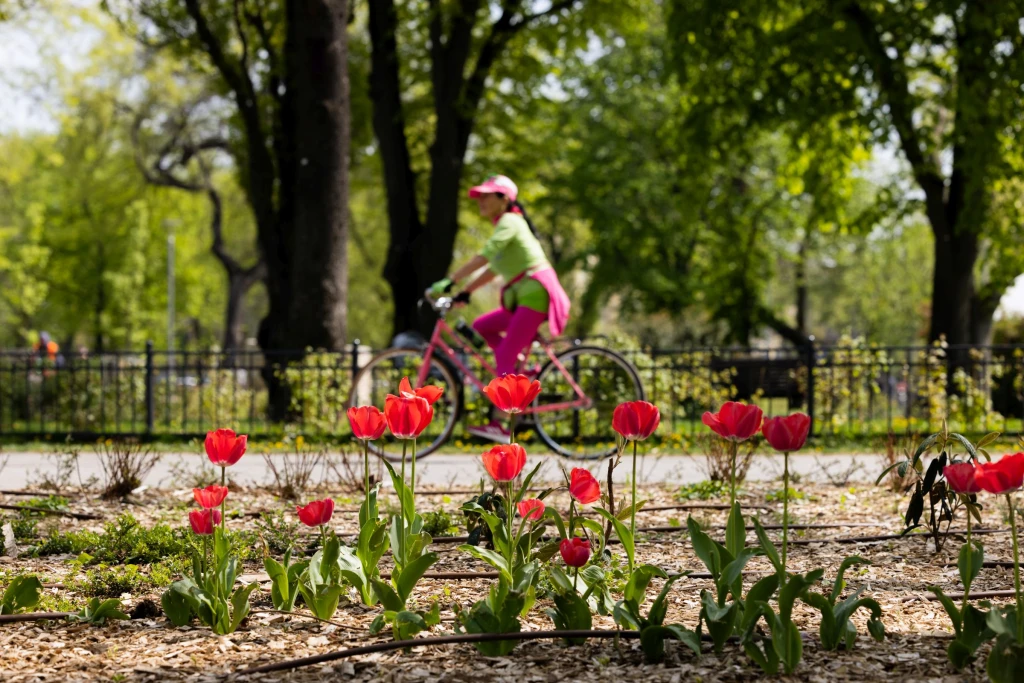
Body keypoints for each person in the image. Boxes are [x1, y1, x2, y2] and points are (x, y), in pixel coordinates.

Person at [430, 175, 570, 443]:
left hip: (534, 295)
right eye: (479, 196)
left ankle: (502, 423)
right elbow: (493, 268)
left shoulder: (510, 221)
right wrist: (465, 292)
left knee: (505, 352)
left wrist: (451, 280)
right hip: (522, 299)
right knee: (482, 326)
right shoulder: (505, 225)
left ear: (505, 199)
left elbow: (485, 255)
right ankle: (517, 371)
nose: (481, 201)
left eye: (487, 195)